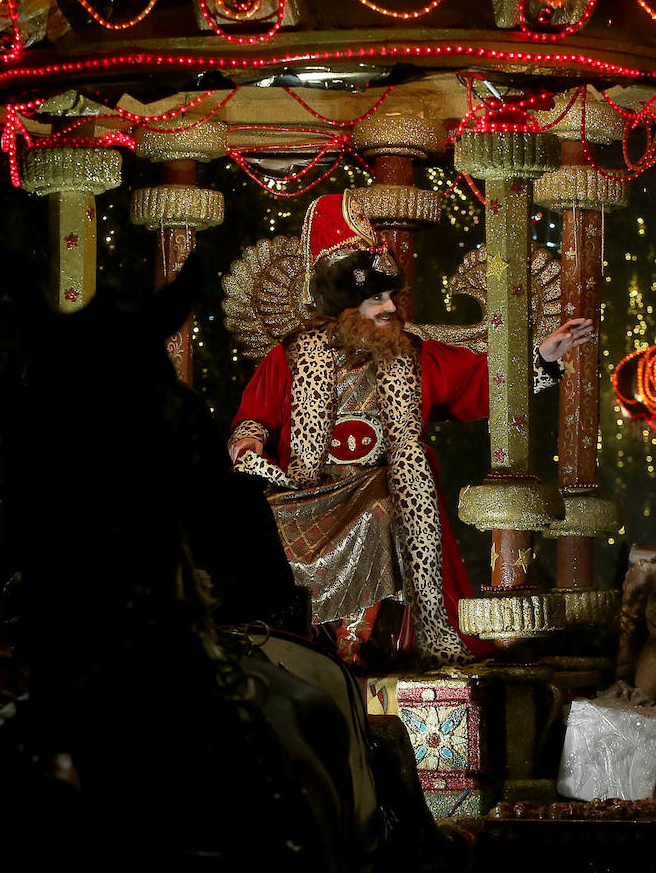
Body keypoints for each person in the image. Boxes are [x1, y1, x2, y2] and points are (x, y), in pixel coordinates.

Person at [229, 190, 592, 669]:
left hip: (385, 484)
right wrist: (249, 441)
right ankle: (297, 638)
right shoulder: (290, 356)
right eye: (374, 299)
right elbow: (256, 413)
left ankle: (368, 642)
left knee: (384, 507)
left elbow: (480, 382)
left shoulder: (412, 354)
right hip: (307, 489)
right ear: (343, 307)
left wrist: (544, 357)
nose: (388, 308)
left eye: (389, 296)